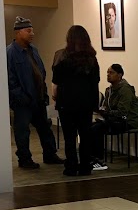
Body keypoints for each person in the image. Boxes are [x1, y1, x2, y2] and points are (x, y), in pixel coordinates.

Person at [6, 17, 63, 170]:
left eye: (32, 30)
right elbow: (10, 79)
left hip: (38, 98)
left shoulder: (34, 50)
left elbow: (40, 71)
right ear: (18, 32)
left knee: (45, 128)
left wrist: (43, 93)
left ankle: (50, 155)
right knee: (22, 132)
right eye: (28, 31)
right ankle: (24, 159)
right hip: (23, 102)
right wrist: (21, 97)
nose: (32, 33)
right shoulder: (10, 53)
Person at [52, 26, 100, 176]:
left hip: (66, 103)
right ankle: (85, 166)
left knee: (69, 137)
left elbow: (56, 81)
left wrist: (56, 97)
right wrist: (95, 104)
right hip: (85, 103)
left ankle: (71, 166)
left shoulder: (62, 58)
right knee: (85, 136)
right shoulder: (91, 59)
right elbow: (95, 82)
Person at [90, 64, 138, 170]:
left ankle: (99, 161)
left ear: (120, 75)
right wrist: (102, 111)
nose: (108, 75)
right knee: (90, 127)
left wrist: (106, 112)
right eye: (107, 72)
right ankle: (90, 159)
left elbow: (123, 112)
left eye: (111, 72)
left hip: (128, 121)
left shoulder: (125, 90)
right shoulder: (109, 90)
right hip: (115, 120)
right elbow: (106, 107)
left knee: (97, 129)